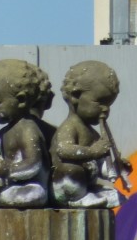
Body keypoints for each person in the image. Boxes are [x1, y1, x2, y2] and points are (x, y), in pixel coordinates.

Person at [51, 61, 128, 208]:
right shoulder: (69, 127)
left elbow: (101, 168)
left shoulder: (93, 133)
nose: (105, 109)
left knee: (115, 194)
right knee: (70, 169)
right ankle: (76, 198)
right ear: (75, 96)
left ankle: (86, 195)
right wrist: (93, 151)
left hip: (86, 185)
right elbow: (64, 150)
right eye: (100, 102)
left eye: (109, 105)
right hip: (66, 185)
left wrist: (117, 167)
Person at [0, 60, 50, 208]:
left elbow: (33, 164)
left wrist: (7, 169)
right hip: (12, 185)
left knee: (31, 195)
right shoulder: (4, 131)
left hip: (33, 184)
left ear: (20, 100)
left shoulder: (28, 128)